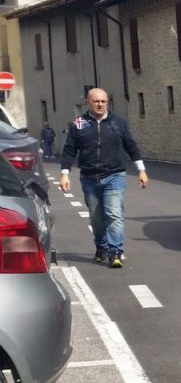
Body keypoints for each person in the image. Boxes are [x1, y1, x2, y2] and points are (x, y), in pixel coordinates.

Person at [59, 88, 148, 268]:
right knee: (96, 217)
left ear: (107, 103)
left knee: (114, 214)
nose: (100, 104)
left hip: (114, 175)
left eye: (103, 101)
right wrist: (64, 174)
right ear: (88, 103)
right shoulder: (78, 124)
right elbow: (69, 150)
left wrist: (141, 170)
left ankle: (115, 251)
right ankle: (101, 247)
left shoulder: (118, 123)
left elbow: (131, 146)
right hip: (89, 178)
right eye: (96, 101)